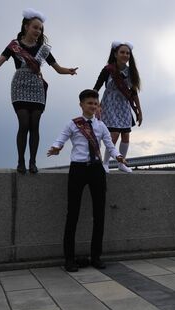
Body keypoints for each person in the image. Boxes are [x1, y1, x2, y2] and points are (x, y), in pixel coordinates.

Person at [0, 8, 78, 174]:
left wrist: (69, 70)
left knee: (35, 124)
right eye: (35, 27)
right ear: (26, 26)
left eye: (40, 28)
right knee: (24, 123)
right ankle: (21, 161)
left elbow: (57, 68)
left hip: (37, 88)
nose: (38, 31)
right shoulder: (14, 45)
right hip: (19, 86)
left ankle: (33, 162)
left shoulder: (43, 49)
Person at [47, 89, 127, 272]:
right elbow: (61, 140)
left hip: (96, 170)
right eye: (89, 103)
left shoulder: (101, 126)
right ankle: (69, 258)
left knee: (99, 214)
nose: (93, 106)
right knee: (72, 214)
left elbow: (110, 146)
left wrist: (119, 156)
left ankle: (96, 256)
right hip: (78, 169)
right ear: (81, 104)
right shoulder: (73, 124)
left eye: (95, 103)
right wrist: (56, 147)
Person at [93, 41, 143, 173]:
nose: (125, 55)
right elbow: (95, 89)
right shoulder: (108, 69)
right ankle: (105, 163)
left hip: (124, 105)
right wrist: (97, 106)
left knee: (126, 135)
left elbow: (134, 93)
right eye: (122, 52)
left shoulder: (130, 72)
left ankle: (121, 163)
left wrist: (139, 111)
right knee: (113, 134)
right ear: (115, 54)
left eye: (127, 53)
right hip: (109, 104)